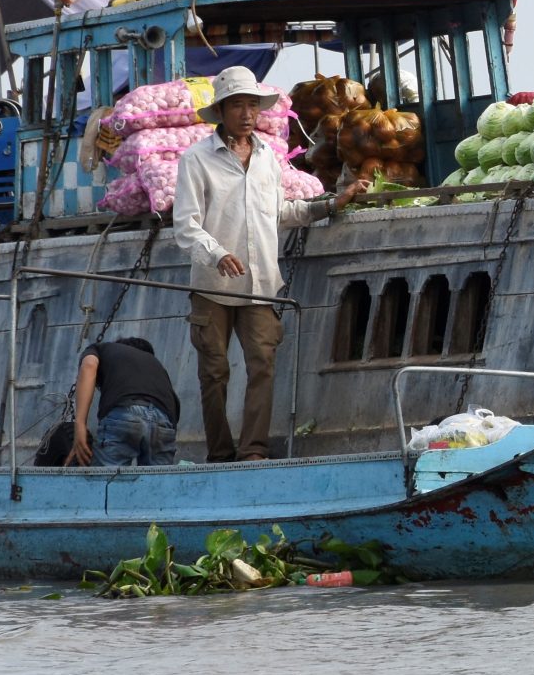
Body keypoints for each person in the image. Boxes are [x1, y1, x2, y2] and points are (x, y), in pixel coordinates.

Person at [174, 66, 369, 462]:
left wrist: (331, 204)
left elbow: (281, 213)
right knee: (214, 372)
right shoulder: (196, 159)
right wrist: (217, 253)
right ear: (221, 111)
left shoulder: (267, 158)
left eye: (252, 105)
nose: (247, 114)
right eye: (237, 106)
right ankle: (220, 453)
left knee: (262, 364)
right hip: (213, 286)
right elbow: (186, 225)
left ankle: (254, 450)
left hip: (260, 284)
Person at [63, 335, 181, 467]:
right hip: (164, 421)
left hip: (126, 412)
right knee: (157, 478)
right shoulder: (156, 365)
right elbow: (174, 406)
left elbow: (89, 365)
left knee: (107, 478)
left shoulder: (101, 348)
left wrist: (80, 425)